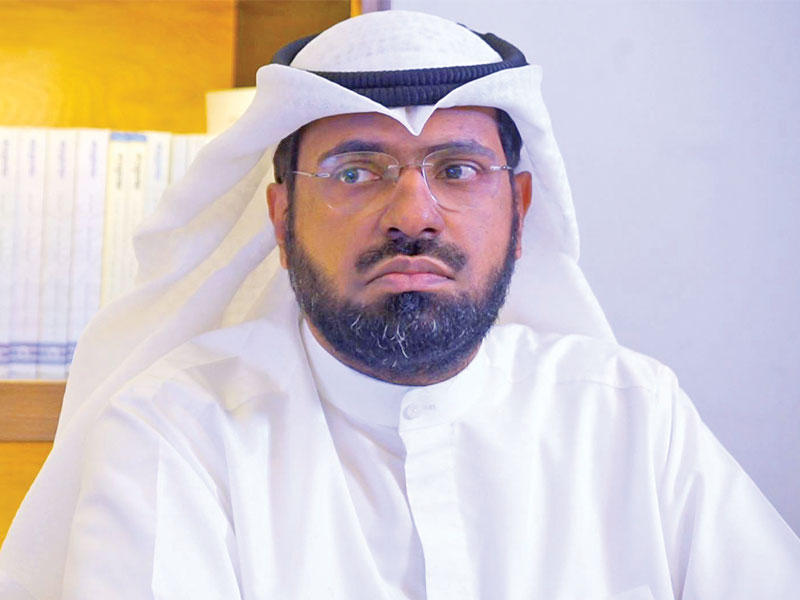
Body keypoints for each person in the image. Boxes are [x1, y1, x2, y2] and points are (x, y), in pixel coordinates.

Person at [1, 10, 798, 600]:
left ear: (520, 210)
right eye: (356, 172)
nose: (413, 216)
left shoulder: (634, 417)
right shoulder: (176, 432)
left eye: (457, 170)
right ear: (281, 217)